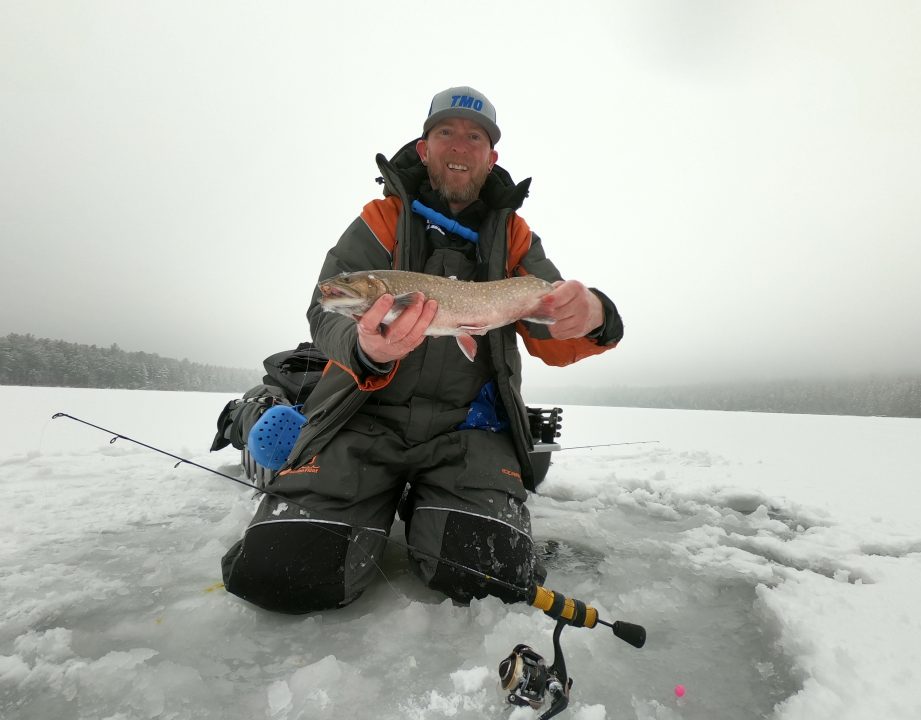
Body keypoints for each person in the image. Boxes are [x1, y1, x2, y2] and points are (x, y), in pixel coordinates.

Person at [221, 86, 624, 614]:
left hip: (468, 431)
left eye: (474, 136)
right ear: (424, 146)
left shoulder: (517, 238)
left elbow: (553, 330)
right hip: (362, 418)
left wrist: (593, 316)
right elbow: (323, 311)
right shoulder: (380, 219)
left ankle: (427, 500)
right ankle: (377, 490)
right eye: (445, 133)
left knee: (489, 579)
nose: (459, 145)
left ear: (491, 155)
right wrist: (365, 347)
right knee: (283, 573)